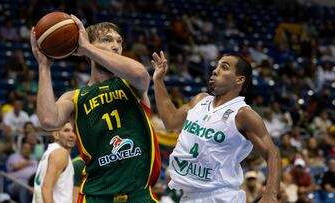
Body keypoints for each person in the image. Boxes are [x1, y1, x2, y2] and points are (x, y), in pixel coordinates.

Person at [30, 15, 161, 202]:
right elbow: (48, 120)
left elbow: (140, 73)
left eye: (119, 41)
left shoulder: (131, 84)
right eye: (107, 40)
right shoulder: (74, 97)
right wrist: (44, 67)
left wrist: (87, 48)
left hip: (138, 194)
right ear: (85, 43)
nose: (115, 46)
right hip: (96, 195)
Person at [151, 51, 281, 203]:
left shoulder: (243, 114)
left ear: (239, 79)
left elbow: (273, 153)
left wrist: (270, 194)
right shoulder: (200, 100)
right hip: (189, 196)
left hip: (220, 196)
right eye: (217, 65)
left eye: (224, 67)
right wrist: (158, 79)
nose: (215, 70)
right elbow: (171, 122)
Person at [32, 122, 76, 203]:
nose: (72, 135)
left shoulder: (48, 153)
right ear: (56, 134)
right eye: (66, 131)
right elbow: (46, 188)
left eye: (74, 131)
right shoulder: (60, 153)